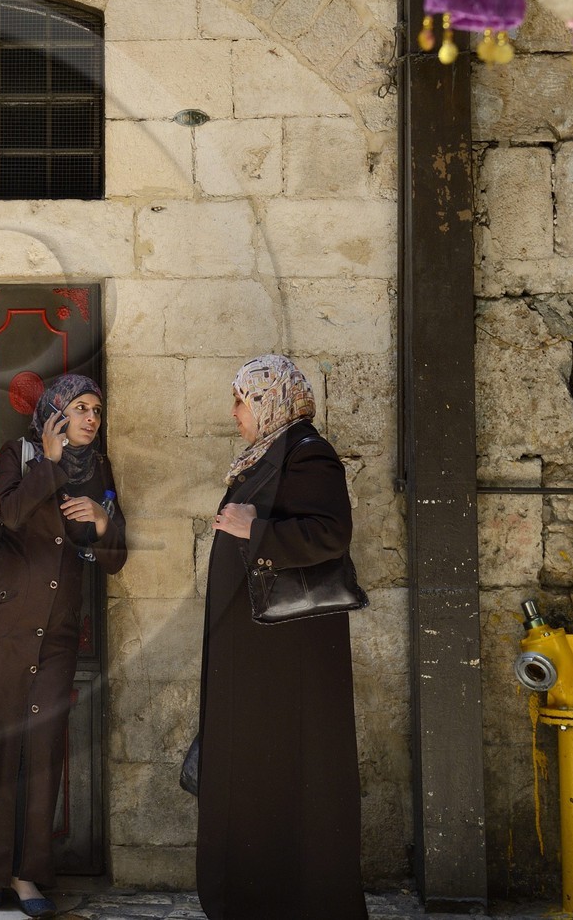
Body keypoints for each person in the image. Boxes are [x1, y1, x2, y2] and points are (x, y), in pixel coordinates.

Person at [0, 374, 128, 917]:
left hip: (57, 637)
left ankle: (27, 877)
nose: (91, 418)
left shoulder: (101, 469)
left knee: (41, 751)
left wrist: (103, 519)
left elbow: (114, 557)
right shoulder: (18, 455)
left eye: (96, 410)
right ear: (55, 413)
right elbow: (12, 513)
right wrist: (51, 460)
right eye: (80, 408)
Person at [195, 354, 367, 920]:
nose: (235, 412)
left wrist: (255, 529)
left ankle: (292, 902)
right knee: (251, 770)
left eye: (242, 399)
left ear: (271, 401)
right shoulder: (265, 454)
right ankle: (248, 899)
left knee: (288, 769)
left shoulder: (307, 452)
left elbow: (329, 534)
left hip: (287, 656)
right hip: (255, 651)